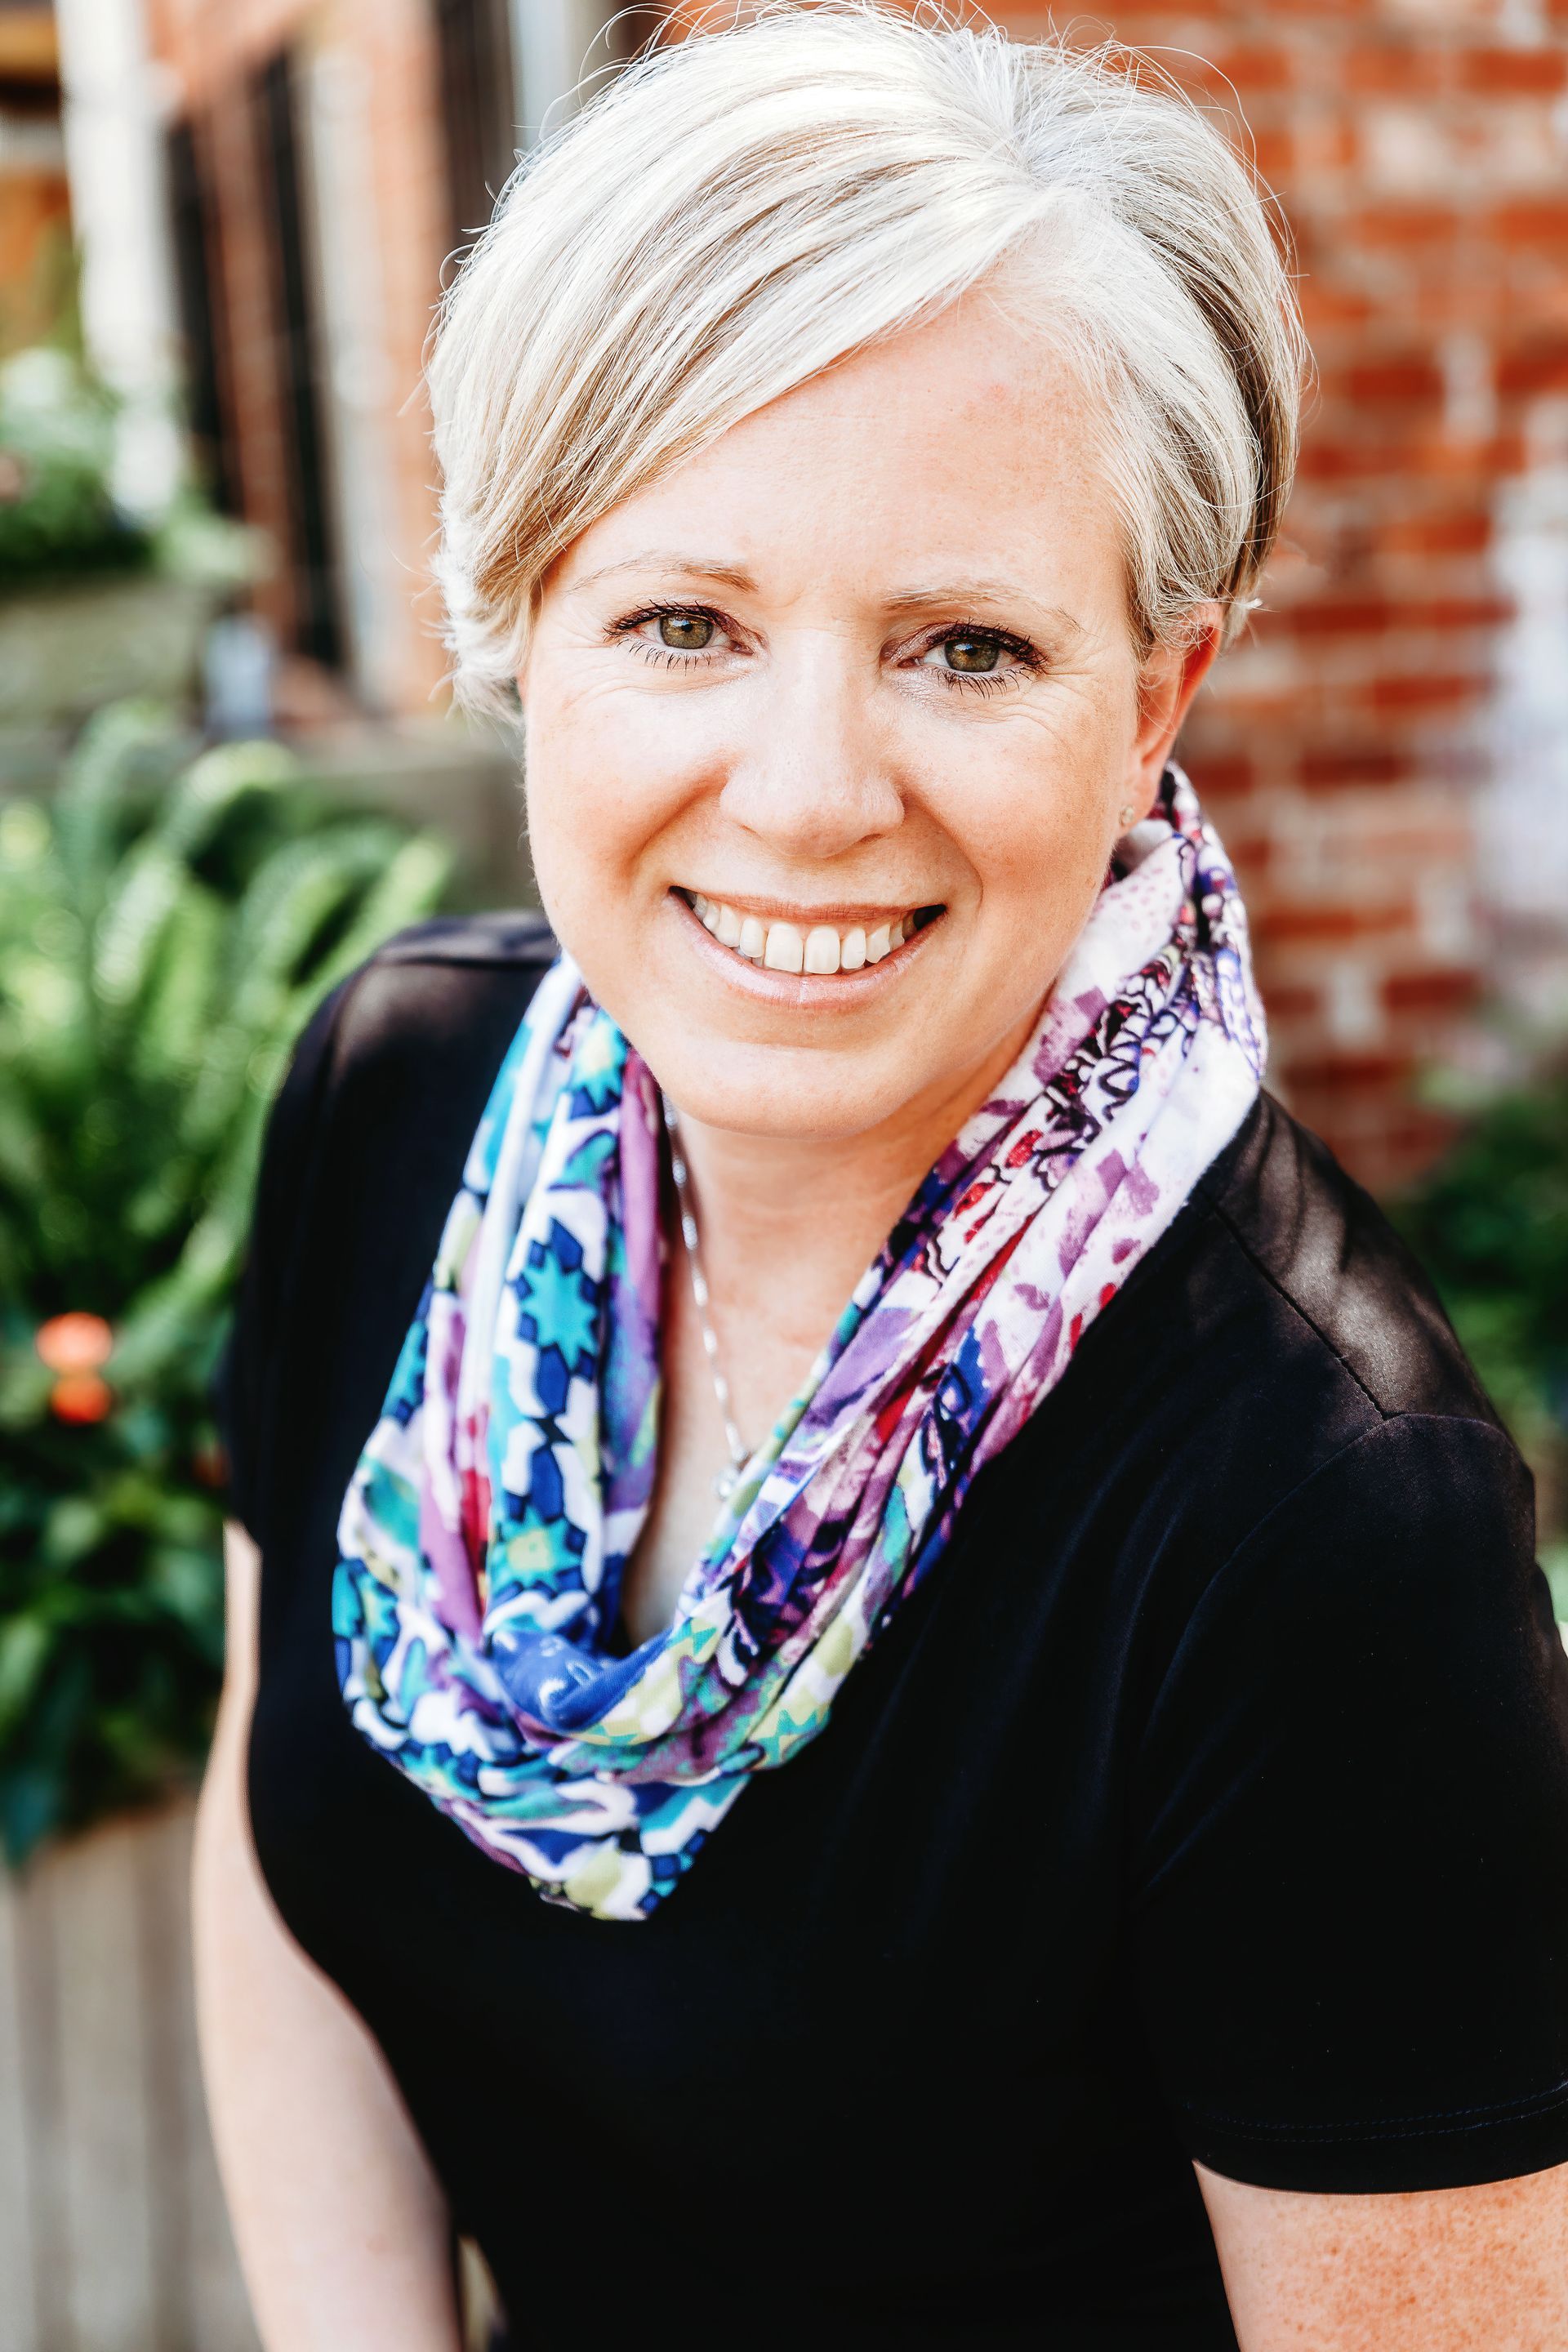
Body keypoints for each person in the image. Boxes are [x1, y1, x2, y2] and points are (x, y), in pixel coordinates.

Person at [192, 9, 1568, 2347]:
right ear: (527, 623)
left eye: (965, 646)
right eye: (687, 623)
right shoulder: (392, 1101)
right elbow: (287, 1859)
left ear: (1152, 699)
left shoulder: (1318, 1524)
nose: (812, 791)